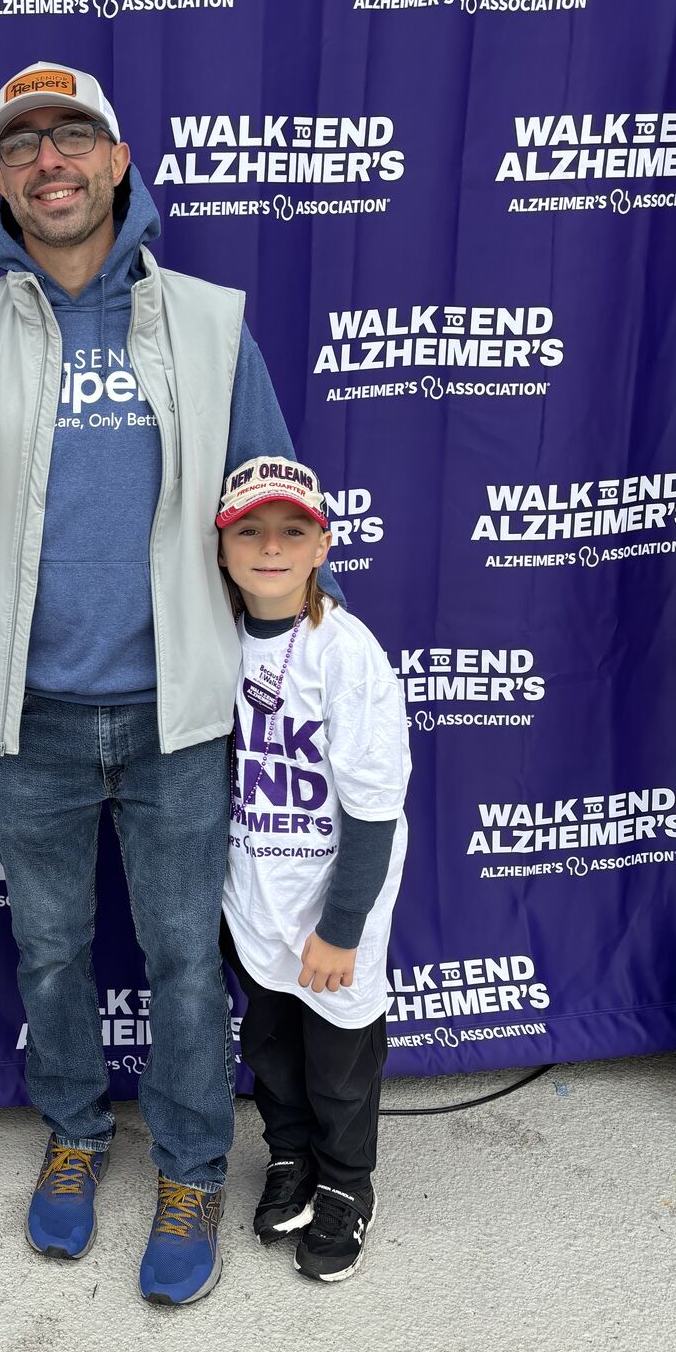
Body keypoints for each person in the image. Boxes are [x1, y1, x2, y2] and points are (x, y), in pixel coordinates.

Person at [0, 62, 338, 1306]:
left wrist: (305, 663)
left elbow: (271, 499)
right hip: (25, 722)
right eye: (20, 145)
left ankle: (195, 1164)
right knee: (46, 953)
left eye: (72, 137)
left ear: (116, 160)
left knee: (182, 961)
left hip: (176, 716)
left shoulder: (207, 321)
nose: (48, 161)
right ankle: (76, 1133)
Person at [216, 455, 409, 1282]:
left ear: (323, 542)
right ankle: (290, 1157)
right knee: (271, 1048)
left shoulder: (345, 650)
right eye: (249, 530)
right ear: (221, 547)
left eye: (292, 530)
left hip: (332, 908)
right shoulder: (214, 638)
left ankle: (347, 1187)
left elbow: (373, 806)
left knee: (339, 1065)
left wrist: (340, 927)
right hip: (254, 899)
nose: (270, 546)